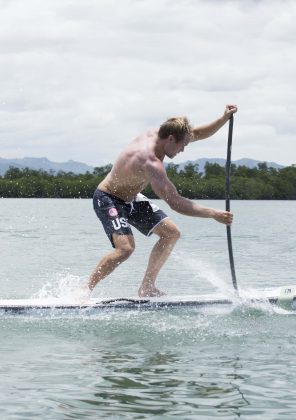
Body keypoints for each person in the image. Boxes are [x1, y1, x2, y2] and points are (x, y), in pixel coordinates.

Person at [86, 105, 238, 297]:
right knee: (125, 249)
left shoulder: (166, 135)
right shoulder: (149, 161)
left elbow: (198, 133)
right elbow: (174, 202)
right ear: (171, 139)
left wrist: (223, 118)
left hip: (132, 198)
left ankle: (147, 287)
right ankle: (84, 290)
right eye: (182, 145)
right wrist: (212, 213)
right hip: (109, 199)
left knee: (171, 233)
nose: (183, 149)